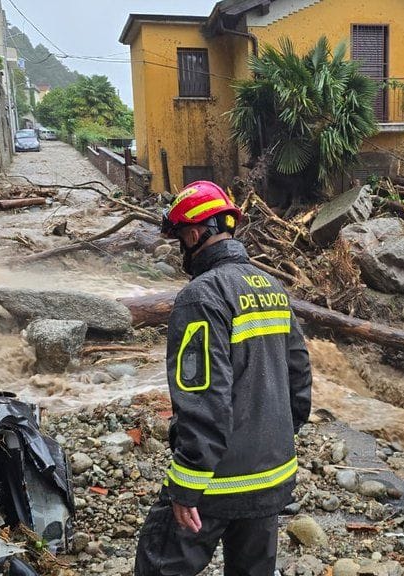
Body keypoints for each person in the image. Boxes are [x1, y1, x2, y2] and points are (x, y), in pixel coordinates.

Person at [135, 181, 313, 576]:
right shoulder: (272, 287)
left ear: (195, 235)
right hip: (272, 476)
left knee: (158, 565)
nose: (182, 248)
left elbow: (203, 399)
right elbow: (299, 379)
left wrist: (186, 487)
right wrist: (275, 439)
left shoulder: (200, 296)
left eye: (181, 238)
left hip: (216, 482)